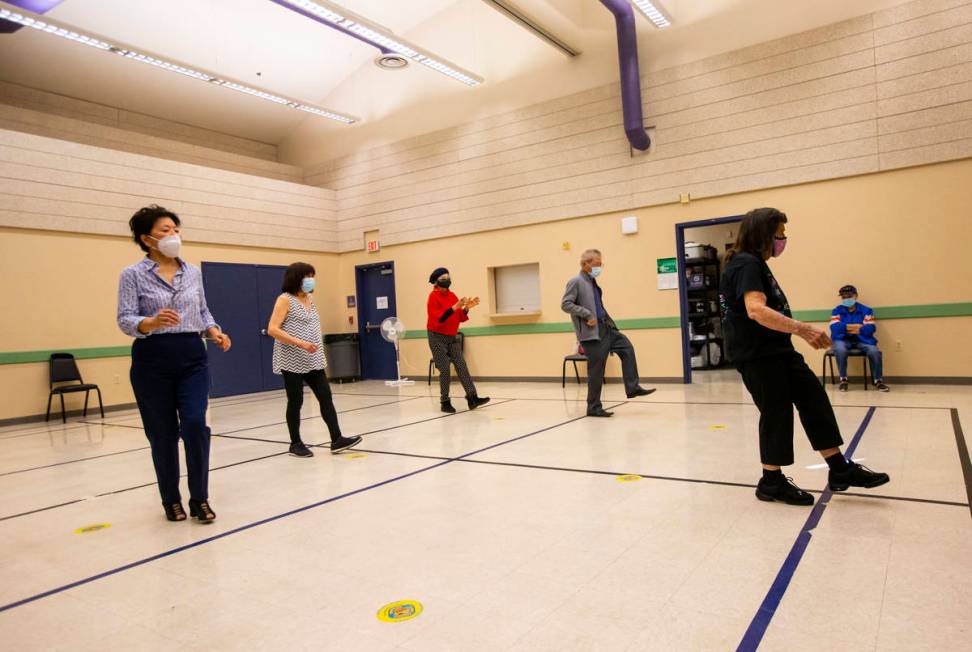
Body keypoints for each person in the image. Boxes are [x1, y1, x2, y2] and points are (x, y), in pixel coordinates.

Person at [720, 208, 889, 506]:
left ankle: (840, 469)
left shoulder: (756, 263)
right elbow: (755, 310)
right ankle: (770, 481)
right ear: (764, 235)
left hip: (778, 350)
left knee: (814, 399)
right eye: (780, 235)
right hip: (757, 354)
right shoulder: (745, 263)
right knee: (776, 411)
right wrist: (802, 329)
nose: (783, 240)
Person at [117, 205, 231, 523]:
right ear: (147, 238)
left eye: (176, 229)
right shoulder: (132, 275)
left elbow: (204, 311)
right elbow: (125, 319)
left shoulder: (192, 272)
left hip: (192, 356)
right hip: (152, 359)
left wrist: (214, 331)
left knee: (195, 425)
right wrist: (150, 322)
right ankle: (171, 499)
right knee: (162, 434)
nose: (173, 235)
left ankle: (200, 498)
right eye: (165, 230)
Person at [267, 263, 362, 457]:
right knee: (296, 401)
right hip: (291, 358)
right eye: (307, 276)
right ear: (296, 278)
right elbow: (273, 329)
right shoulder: (284, 300)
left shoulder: (310, 299)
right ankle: (295, 443)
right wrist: (300, 343)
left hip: (313, 359)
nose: (311, 280)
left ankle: (336, 439)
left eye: (312, 276)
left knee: (325, 396)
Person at [561, 249, 655, 417]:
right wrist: (587, 314)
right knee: (597, 371)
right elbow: (566, 304)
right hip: (592, 334)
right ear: (586, 264)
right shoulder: (576, 281)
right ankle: (594, 407)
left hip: (606, 328)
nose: (599, 267)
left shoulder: (592, 282)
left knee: (626, 347)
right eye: (597, 264)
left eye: (600, 264)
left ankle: (632, 387)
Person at [426, 267, 489, 413]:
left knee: (461, 365)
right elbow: (439, 318)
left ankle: (472, 397)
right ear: (436, 282)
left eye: (448, 277)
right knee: (445, 369)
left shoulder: (452, 295)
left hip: (452, 336)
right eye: (443, 279)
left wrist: (466, 308)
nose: (447, 280)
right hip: (437, 337)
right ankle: (445, 401)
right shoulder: (433, 297)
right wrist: (455, 307)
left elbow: (459, 316)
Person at [830, 285, 889, 392]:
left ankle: (878, 381)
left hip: (863, 340)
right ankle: (843, 380)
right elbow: (834, 328)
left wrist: (846, 327)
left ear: (856, 296)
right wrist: (858, 326)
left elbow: (870, 329)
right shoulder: (837, 311)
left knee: (874, 351)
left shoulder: (866, 310)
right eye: (843, 297)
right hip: (843, 340)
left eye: (849, 296)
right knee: (840, 349)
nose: (846, 298)